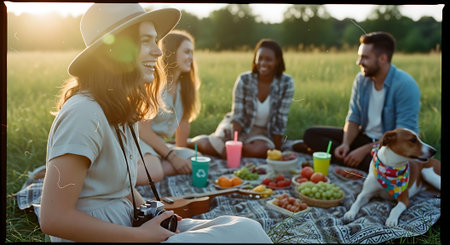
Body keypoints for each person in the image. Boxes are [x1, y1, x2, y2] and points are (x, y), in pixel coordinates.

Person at [39, 3, 272, 243]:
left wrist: (159, 214)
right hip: (110, 235)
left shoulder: (117, 110)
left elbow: (123, 187)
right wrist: (140, 236)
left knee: (245, 227)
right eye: (146, 41)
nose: (159, 52)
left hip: (129, 225)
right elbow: (53, 219)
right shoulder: (83, 113)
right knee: (246, 236)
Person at [296, 31, 420, 172]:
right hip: (364, 138)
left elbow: (404, 137)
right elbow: (353, 118)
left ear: (383, 58)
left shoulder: (405, 85)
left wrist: (364, 151)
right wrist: (345, 144)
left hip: (390, 147)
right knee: (310, 134)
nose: (359, 62)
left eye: (364, 58)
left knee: (380, 165)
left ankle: (335, 157)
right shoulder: (361, 80)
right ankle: (346, 156)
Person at [190, 39, 294, 159]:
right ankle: (188, 143)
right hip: (238, 126)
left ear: (277, 61)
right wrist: (234, 142)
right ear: (255, 60)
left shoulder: (286, 83)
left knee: (263, 150)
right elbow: (237, 115)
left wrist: (278, 151)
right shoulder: (244, 80)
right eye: (260, 58)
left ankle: (238, 150)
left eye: (268, 59)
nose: (263, 63)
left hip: (263, 131)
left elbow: (280, 120)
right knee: (210, 147)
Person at [137, 30, 200, 184]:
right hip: (142, 141)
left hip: (160, 146)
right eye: (186, 52)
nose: (191, 58)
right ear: (171, 53)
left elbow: (184, 124)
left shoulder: (185, 87)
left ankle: (153, 166)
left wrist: (179, 155)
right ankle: (115, 179)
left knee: (196, 160)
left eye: (192, 52)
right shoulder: (153, 83)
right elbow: (142, 129)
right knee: (156, 172)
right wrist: (173, 157)